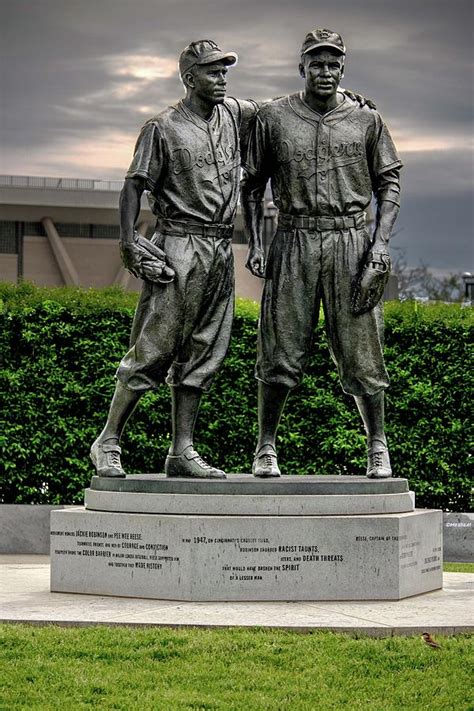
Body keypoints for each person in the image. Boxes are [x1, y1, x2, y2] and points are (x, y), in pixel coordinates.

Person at [90, 40, 257, 480]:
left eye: (224, 71)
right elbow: (133, 186)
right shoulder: (161, 127)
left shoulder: (235, 115)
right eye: (212, 71)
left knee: (205, 352)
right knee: (154, 347)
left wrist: (346, 100)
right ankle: (107, 440)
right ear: (189, 77)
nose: (221, 78)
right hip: (179, 245)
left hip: (221, 248)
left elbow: (278, 110)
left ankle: (182, 450)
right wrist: (127, 242)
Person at [242, 28, 402, 479]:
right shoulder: (274, 118)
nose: (326, 71)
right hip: (293, 239)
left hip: (351, 242)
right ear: (302, 68)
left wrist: (379, 249)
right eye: (317, 63)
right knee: (279, 347)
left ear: (344, 68)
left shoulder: (368, 120)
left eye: (333, 63)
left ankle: (377, 444)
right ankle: (266, 446)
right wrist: (256, 242)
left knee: (362, 348)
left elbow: (389, 183)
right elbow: (252, 185)